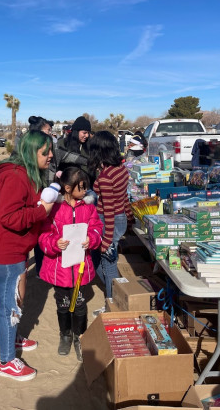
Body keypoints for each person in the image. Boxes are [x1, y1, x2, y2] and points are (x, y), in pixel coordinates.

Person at [0, 131, 54, 381]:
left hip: (14, 248)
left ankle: (12, 338)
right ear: (32, 153)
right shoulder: (15, 177)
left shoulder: (26, 176)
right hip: (3, 250)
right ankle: (7, 360)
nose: (51, 155)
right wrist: (42, 211)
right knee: (9, 305)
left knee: (14, 301)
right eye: (46, 152)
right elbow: (10, 218)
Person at [38, 167, 103, 361]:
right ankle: (65, 335)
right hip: (59, 268)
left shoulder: (88, 206)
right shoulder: (53, 208)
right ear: (67, 188)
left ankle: (79, 337)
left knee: (80, 305)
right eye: (81, 188)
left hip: (81, 267)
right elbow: (43, 235)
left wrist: (91, 239)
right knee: (64, 304)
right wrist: (54, 243)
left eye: (86, 188)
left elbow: (97, 227)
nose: (85, 192)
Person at [88, 131, 135, 316]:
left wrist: (106, 240)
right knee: (103, 261)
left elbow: (107, 210)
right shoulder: (121, 170)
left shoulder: (106, 177)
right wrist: (129, 218)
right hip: (119, 218)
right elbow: (124, 196)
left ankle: (111, 305)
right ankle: (113, 295)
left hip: (109, 223)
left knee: (108, 265)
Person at [27, 116, 57, 275]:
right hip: (40, 201)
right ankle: (38, 268)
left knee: (44, 234)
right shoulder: (22, 171)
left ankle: (41, 267)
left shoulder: (48, 149)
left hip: (47, 197)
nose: (50, 133)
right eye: (48, 131)